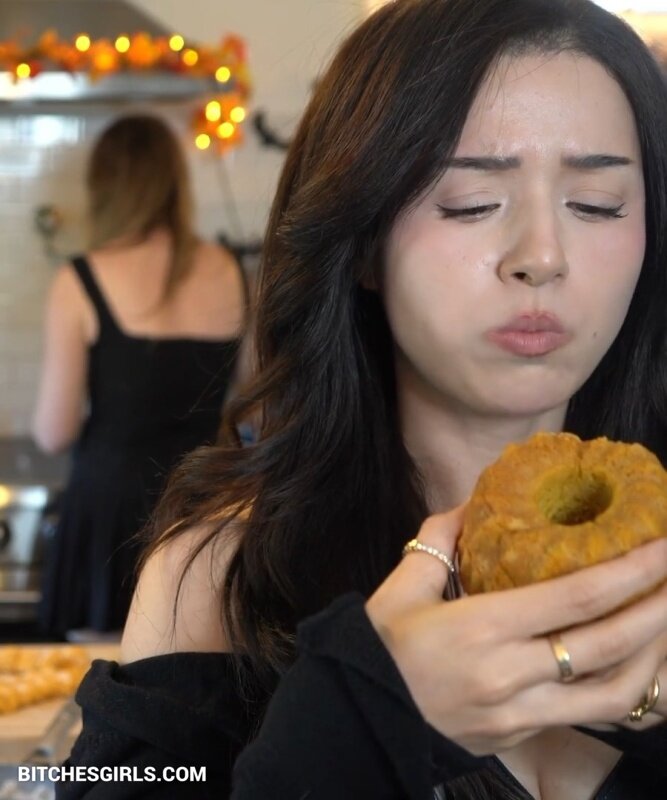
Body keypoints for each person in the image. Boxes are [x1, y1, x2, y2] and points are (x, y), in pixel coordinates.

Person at [60, 1, 667, 797]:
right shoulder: (217, 578)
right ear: (362, 240)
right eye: (469, 202)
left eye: (596, 204)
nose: (542, 256)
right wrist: (356, 729)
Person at [32, 114, 249, 637]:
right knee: (194, 666)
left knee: (92, 671)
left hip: (108, 519)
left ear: (104, 187)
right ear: (175, 182)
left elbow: (54, 431)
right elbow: (259, 407)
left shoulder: (80, 278)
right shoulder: (229, 270)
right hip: (202, 511)